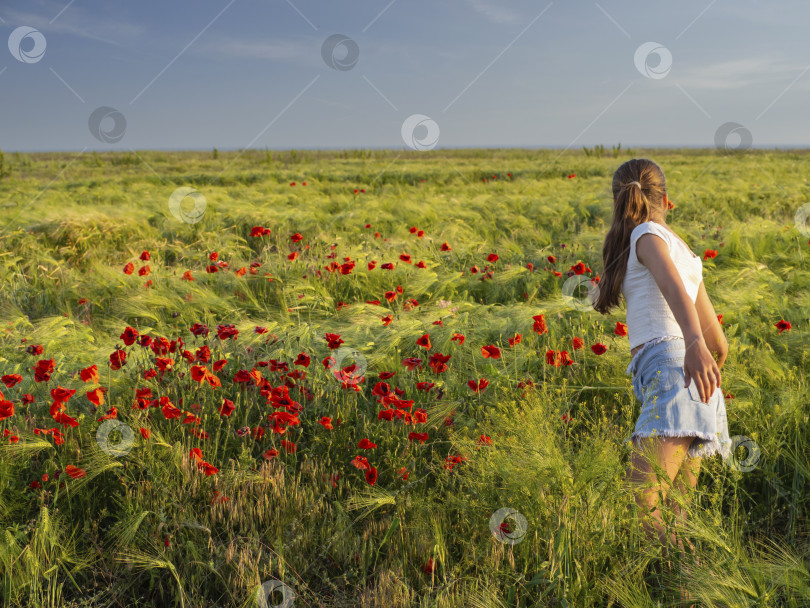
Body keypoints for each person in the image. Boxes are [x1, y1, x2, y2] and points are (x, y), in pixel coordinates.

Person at [593, 158, 732, 600]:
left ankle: (696, 590)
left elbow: (672, 289)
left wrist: (690, 345)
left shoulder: (645, 235)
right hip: (700, 385)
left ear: (620, 202)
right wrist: (702, 358)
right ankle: (691, 594)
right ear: (667, 200)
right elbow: (721, 345)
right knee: (674, 518)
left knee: (643, 505)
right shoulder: (684, 250)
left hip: (675, 370)